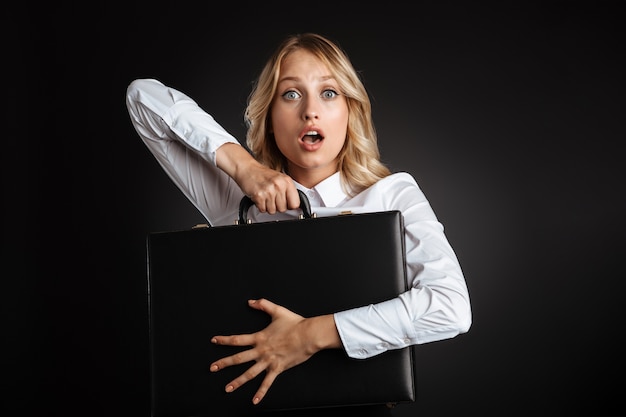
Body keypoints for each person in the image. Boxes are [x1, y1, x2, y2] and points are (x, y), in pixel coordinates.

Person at [126, 32, 472, 412]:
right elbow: (143, 97)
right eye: (291, 94)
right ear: (270, 118)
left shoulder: (391, 194)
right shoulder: (236, 201)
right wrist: (244, 169)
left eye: (328, 93)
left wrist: (309, 335)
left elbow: (450, 307)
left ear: (350, 111)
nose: (310, 110)